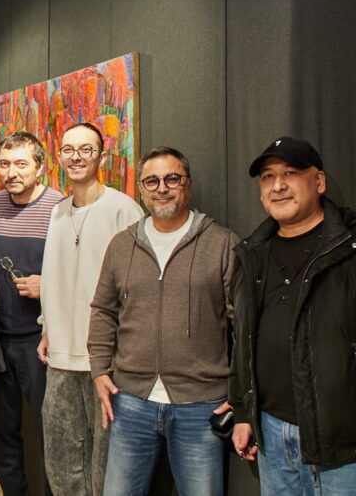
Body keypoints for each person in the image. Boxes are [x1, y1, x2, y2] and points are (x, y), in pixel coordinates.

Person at [89, 146, 238, 496]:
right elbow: (103, 310)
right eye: (152, 181)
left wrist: (240, 393)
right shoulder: (121, 245)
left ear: (188, 184)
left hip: (201, 405)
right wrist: (98, 370)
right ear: (141, 189)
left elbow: (244, 326)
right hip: (130, 401)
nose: (162, 188)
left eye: (172, 178)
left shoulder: (223, 244)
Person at [229, 137, 356, 494]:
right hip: (271, 435)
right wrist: (243, 412)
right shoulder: (251, 254)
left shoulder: (348, 249)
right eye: (268, 177)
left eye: (290, 173)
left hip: (341, 444)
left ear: (319, 182)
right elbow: (243, 338)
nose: (278, 185)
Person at [37, 123, 142, 496]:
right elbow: (55, 274)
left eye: (86, 149)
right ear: (59, 156)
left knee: (106, 465)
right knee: (62, 461)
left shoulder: (124, 210)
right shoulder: (57, 212)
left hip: (106, 361)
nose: (76, 157)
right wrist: (47, 326)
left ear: (102, 156)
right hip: (60, 359)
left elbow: (137, 288)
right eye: (68, 150)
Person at [0, 131, 62, 496]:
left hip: (42, 343)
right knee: (3, 434)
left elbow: (80, 273)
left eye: (21, 164)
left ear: (40, 168)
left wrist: (49, 284)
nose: (12, 173)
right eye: (5, 164)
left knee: (51, 434)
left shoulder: (60, 208)